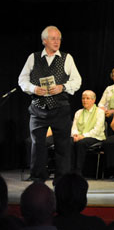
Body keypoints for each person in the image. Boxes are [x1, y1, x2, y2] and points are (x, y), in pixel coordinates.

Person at [18, 25, 82, 185]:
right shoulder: (33, 57)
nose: (57, 41)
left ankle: (62, 182)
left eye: (59, 38)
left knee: (63, 147)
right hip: (38, 109)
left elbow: (77, 80)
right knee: (37, 146)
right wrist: (33, 88)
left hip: (60, 109)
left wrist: (63, 87)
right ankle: (38, 181)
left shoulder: (67, 58)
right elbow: (22, 79)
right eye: (53, 38)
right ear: (44, 41)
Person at [70, 90, 106, 175]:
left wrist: (83, 136)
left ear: (93, 100)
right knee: (68, 142)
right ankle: (69, 170)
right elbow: (74, 127)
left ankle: (78, 171)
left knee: (81, 143)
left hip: (95, 137)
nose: (85, 100)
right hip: (79, 136)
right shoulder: (79, 112)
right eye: (83, 98)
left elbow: (97, 130)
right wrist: (75, 135)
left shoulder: (100, 112)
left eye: (87, 98)